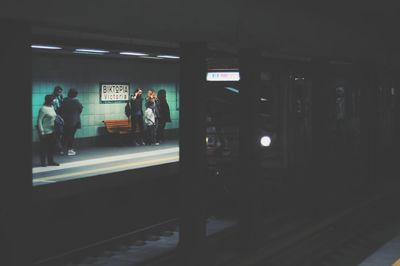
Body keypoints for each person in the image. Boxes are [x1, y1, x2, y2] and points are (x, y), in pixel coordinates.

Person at [37, 95, 59, 167]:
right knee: (44, 148)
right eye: (54, 100)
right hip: (45, 132)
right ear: (50, 100)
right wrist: (41, 131)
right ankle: (43, 162)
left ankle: (50, 161)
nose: (55, 101)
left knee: (51, 147)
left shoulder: (52, 107)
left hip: (52, 131)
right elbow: (39, 121)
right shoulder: (43, 109)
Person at [59, 88, 83, 156]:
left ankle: (61, 150)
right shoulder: (76, 101)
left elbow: (61, 109)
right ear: (75, 94)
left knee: (64, 135)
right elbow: (80, 109)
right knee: (71, 135)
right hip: (74, 121)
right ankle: (70, 150)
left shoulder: (64, 100)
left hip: (65, 121)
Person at [52, 86, 64, 152]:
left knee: (58, 133)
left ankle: (58, 147)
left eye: (61, 92)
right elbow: (58, 108)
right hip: (55, 117)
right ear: (55, 91)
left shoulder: (58, 97)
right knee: (57, 133)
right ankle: (58, 148)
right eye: (59, 92)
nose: (60, 93)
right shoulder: (54, 98)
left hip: (58, 116)